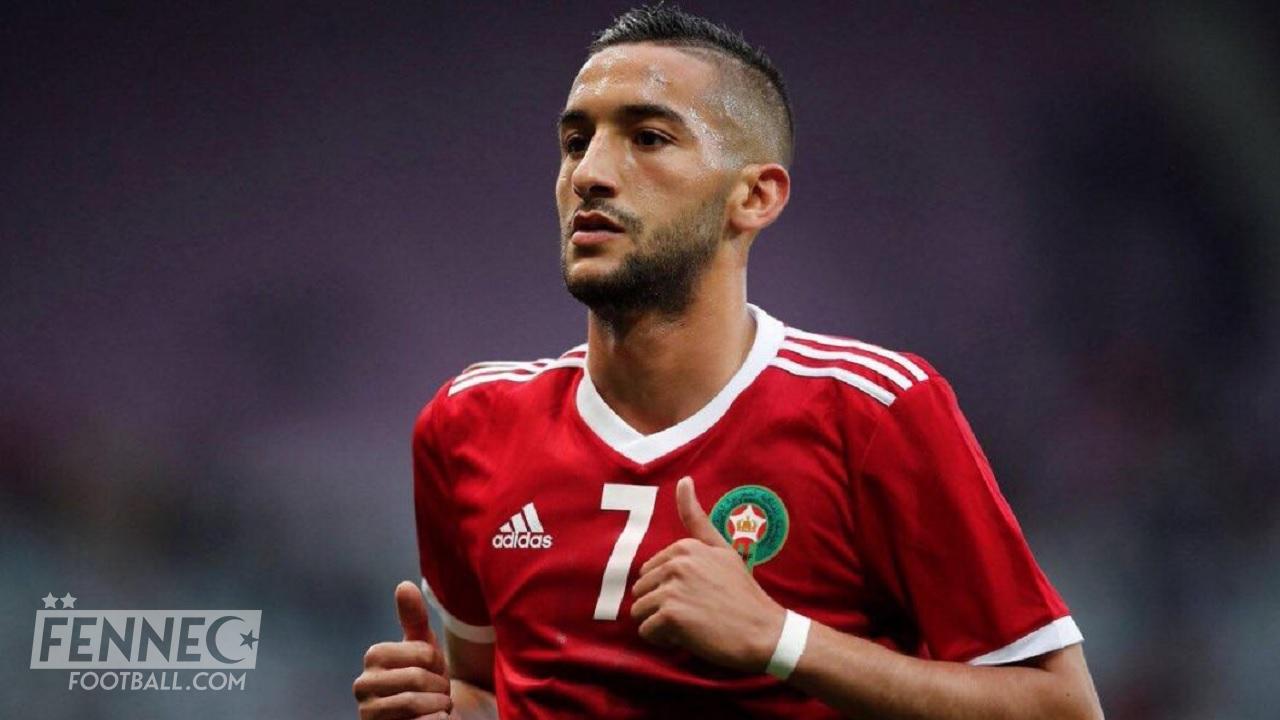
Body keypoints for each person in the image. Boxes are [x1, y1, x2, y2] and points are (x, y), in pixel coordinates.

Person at [354, 5, 1104, 719]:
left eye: (648, 137)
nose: (589, 173)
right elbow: (485, 688)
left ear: (755, 197)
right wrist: (442, 708)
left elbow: (1061, 707)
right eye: (576, 141)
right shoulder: (466, 424)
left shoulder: (874, 410)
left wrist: (782, 640)